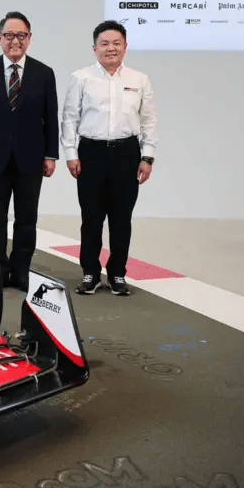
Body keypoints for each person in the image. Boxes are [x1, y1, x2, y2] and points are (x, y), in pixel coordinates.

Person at [60, 20, 159, 296]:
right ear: (94, 48)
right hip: (90, 153)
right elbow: (69, 119)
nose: (110, 48)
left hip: (127, 154)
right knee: (91, 217)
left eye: (117, 43)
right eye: (104, 44)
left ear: (126, 47)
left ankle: (117, 274)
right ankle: (90, 272)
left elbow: (149, 121)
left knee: (121, 218)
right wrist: (70, 154)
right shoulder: (81, 78)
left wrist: (147, 157)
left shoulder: (139, 80)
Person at [0, 11, 59, 292]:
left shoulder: (44, 73)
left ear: (29, 39)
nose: (15, 41)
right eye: (9, 36)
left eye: (21, 36)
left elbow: (51, 117)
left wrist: (50, 155)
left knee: (26, 219)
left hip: (31, 158)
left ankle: (21, 270)